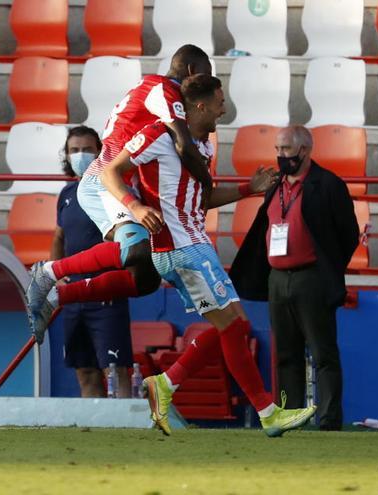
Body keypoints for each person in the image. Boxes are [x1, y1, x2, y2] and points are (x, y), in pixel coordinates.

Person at [101, 74, 315, 437]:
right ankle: (267, 412)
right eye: (219, 101)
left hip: (197, 244)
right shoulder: (157, 134)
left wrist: (250, 188)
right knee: (234, 327)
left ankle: (165, 384)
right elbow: (111, 172)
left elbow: (201, 199)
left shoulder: (203, 147)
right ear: (199, 105)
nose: (224, 107)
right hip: (179, 249)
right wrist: (135, 208)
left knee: (233, 326)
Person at [25, 44, 215, 345]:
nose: (204, 88)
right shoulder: (164, 89)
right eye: (205, 77)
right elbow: (181, 142)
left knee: (146, 280)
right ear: (191, 71)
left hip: (122, 181)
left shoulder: (154, 92)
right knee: (136, 251)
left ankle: (60, 294)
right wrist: (206, 181)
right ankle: (48, 271)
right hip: (107, 179)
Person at [229, 126, 359, 431]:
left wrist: (329, 269)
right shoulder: (276, 186)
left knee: (322, 352)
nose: (279, 155)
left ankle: (328, 420)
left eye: (285, 149)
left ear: (304, 150)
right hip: (277, 278)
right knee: (285, 354)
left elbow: (348, 234)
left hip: (312, 276)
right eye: (277, 148)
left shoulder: (327, 184)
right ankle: (290, 415)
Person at [53, 125, 132, 398]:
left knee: (116, 369)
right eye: (74, 150)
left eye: (87, 149)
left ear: (100, 152)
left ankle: (125, 433)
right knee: (84, 369)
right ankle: (93, 433)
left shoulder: (115, 190)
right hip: (74, 297)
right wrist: (56, 271)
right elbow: (60, 236)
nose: (80, 155)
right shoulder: (65, 195)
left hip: (106, 292)